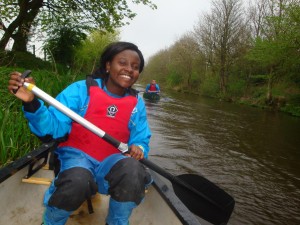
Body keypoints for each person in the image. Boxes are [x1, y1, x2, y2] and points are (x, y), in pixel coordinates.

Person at [8, 41, 152, 225]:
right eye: (122, 63)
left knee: (134, 170)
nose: (129, 69)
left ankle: (116, 222)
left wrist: (139, 147)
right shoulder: (81, 90)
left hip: (113, 164)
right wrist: (31, 103)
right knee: (78, 179)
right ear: (108, 65)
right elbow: (52, 127)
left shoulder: (136, 104)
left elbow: (141, 137)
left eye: (135, 67)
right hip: (77, 159)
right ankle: (52, 222)